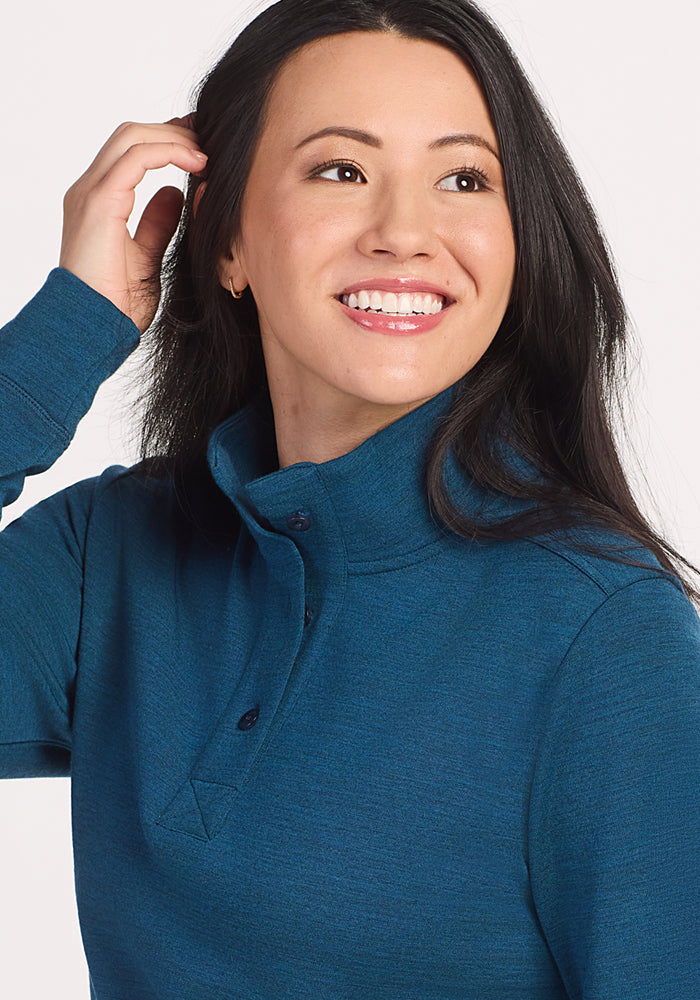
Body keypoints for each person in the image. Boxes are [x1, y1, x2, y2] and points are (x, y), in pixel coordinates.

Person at [1, 0, 698, 996]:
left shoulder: (604, 634)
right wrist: (68, 330)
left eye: (464, 179)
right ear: (226, 241)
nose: (405, 233)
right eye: (340, 170)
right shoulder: (109, 556)